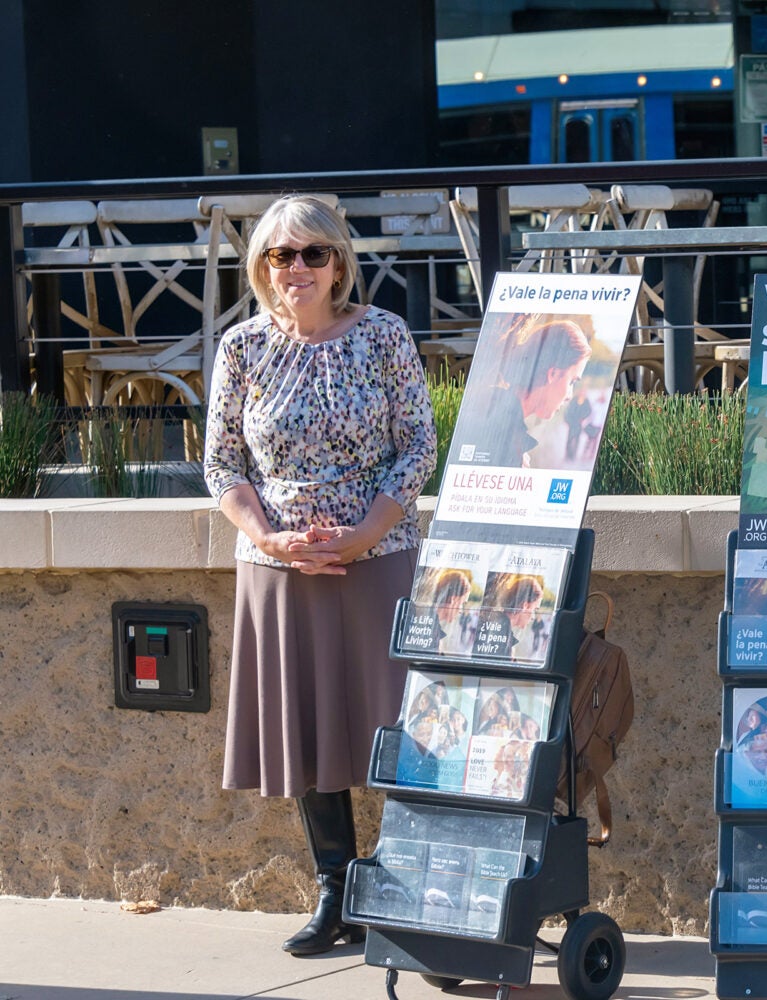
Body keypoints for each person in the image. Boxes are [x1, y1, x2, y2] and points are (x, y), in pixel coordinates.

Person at [204, 194, 436, 956]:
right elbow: (221, 463)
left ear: (339, 262)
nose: (296, 268)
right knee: (306, 730)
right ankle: (336, 888)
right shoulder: (240, 348)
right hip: (280, 570)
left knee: (399, 728)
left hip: (376, 559)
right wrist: (269, 538)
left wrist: (366, 531)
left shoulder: (384, 337)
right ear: (261, 268)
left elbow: (417, 448)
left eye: (312, 254)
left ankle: (405, 888)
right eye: (280, 256)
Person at [450, 315, 592, 468]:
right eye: (572, 382)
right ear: (553, 374)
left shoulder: (493, 408)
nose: (569, 396)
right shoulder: (506, 441)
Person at [480, 572, 546, 659]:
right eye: (534, 609)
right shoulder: (501, 632)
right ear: (525, 606)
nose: (533, 617)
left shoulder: (500, 625)